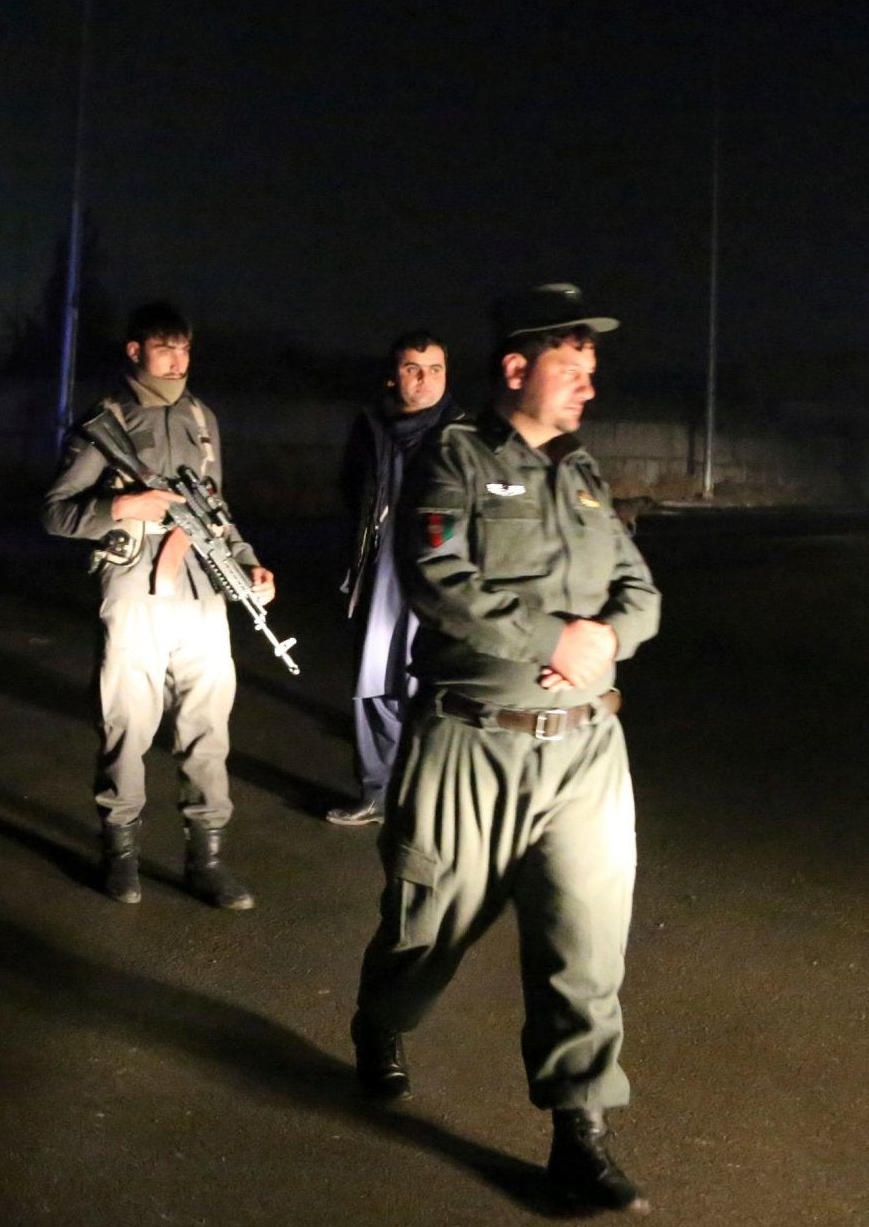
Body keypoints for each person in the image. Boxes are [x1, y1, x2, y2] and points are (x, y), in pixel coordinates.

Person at [349, 283, 661, 1213]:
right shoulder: (452, 461)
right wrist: (551, 638)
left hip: (584, 752)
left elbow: (638, 589)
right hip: (472, 746)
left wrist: (607, 638)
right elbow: (437, 577)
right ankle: (380, 1023)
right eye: (572, 370)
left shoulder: (585, 475)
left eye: (592, 372)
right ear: (516, 368)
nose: (587, 390)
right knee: (424, 933)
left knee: (584, 945)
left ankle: (580, 1134)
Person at [42, 302, 275, 910]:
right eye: (164, 348)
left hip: (200, 591)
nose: (177, 360)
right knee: (128, 726)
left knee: (207, 729)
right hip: (134, 589)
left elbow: (217, 511)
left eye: (184, 349)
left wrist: (248, 564)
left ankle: (208, 860)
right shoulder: (107, 420)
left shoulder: (201, 417)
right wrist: (122, 509)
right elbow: (56, 511)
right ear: (135, 351)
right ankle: (119, 856)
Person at [328, 330, 462, 827]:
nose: (424, 380)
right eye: (412, 368)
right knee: (375, 683)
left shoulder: (465, 434)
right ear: (393, 374)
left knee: (433, 693)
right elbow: (350, 490)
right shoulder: (372, 428)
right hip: (383, 575)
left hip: (441, 587)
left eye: (435, 369)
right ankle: (376, 792)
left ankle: (431, 802)